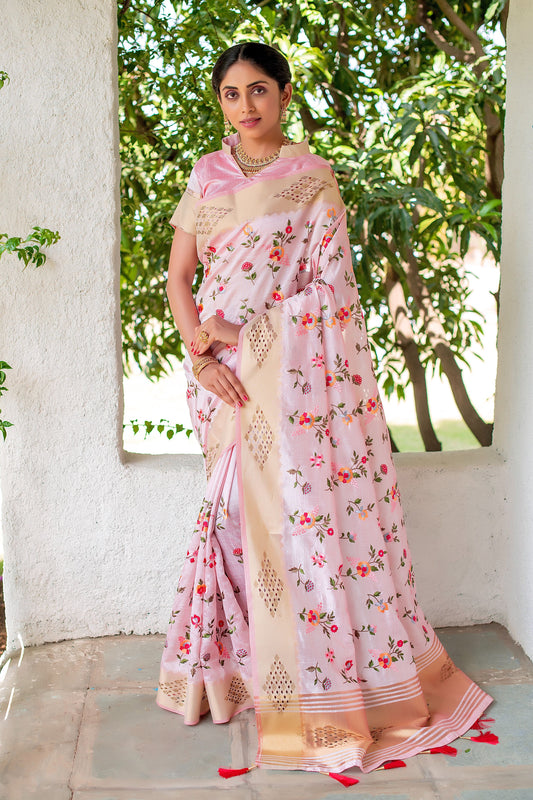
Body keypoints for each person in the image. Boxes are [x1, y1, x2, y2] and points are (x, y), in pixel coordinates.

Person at [157, 41, 492, 776]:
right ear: (220, 103)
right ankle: (238, 672)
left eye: (258, 91)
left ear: (282, 95)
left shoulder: (311, 180)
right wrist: (200, 351)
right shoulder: (207, 175)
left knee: (300, 520)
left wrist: (248, 336)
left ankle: (313, 686)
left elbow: (332, 296)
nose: (245, 106)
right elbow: (180, 276)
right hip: (216, 376)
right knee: (228, 516)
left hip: (286, 375)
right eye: (231, 94)